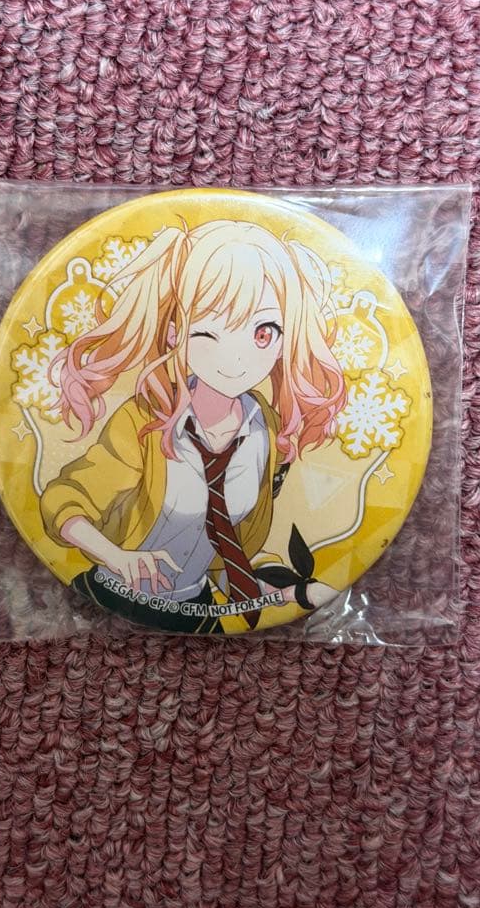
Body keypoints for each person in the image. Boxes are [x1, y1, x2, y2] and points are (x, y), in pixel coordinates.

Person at [40, 218, 346, 633]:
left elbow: (223, 548)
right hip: (110, 598)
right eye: (209, 331)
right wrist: (118, 557)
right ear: (173, 333)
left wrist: (285, 593)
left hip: (202, 615)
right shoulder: (146, 420)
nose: (236, 358)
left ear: (284, 339)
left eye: (262, 333)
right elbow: (64, 500)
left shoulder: (265, 431)